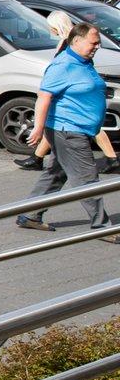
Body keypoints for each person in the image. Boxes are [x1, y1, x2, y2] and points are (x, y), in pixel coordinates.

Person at [18, 20, 114, 234]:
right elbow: (43, 97)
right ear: (77, 41)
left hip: (77, 129)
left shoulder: (83, 61)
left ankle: (30, 214)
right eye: (94, 43)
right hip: (67, 130)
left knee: (55, 173)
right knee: (87, 178)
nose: (97, 46)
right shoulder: (63, 65)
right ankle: (101, 226)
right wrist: (38, 128)